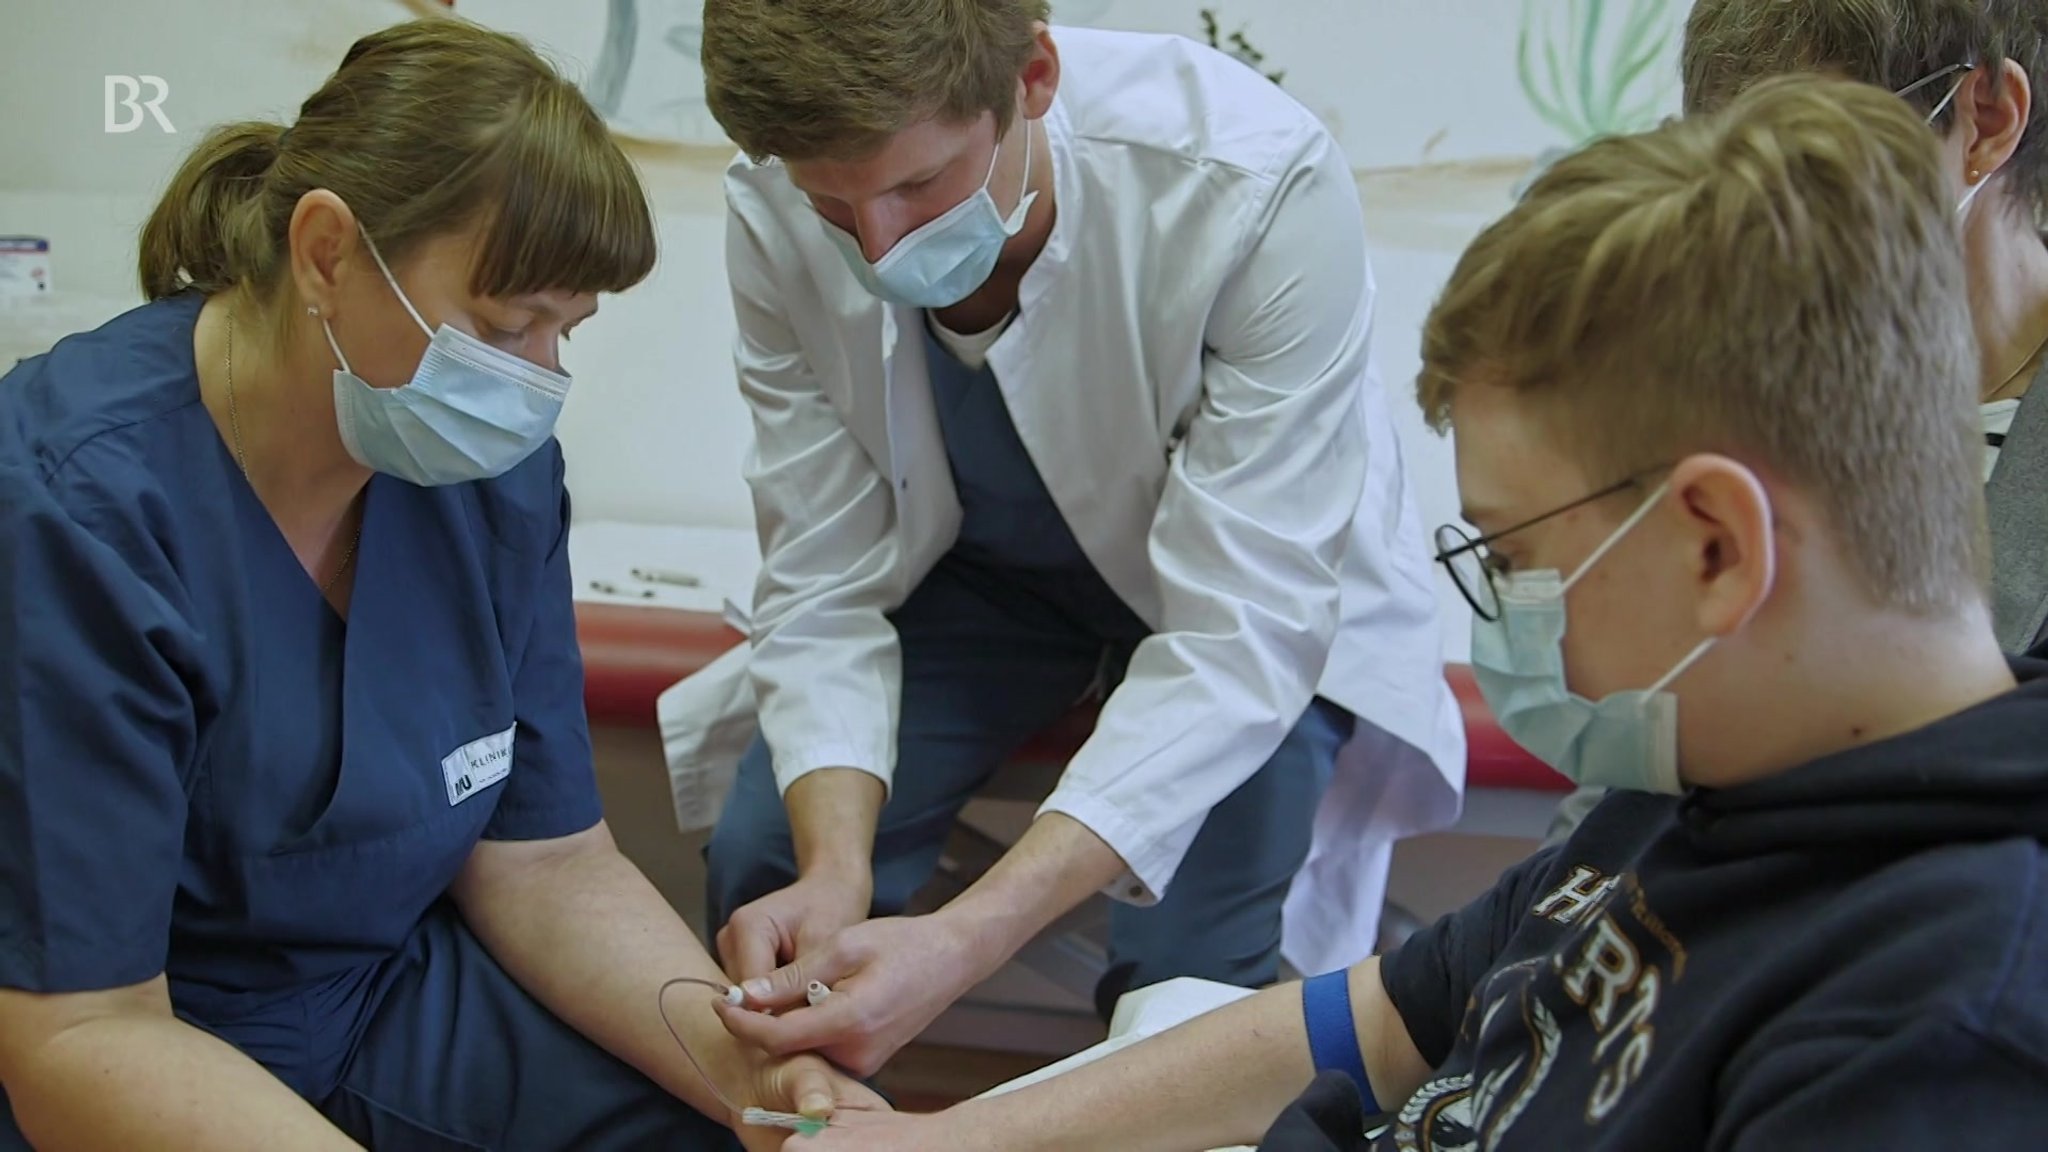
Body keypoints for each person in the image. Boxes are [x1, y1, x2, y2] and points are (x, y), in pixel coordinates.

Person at [764, 72, 2048, 1151]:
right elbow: (1377, 1017)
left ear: (1714, 544)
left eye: (1516, 556)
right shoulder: (1708, 777)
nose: (1505, 618)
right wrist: (942, 1143)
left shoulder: (1931, 1028)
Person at [0, 18, 876, 1152]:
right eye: (508, 326)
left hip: (386, 1003)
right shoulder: (77, 511)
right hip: (137, 1054)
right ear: (325, 254)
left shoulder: (484, 478)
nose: (537, 381)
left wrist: (750, 1073)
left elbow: (548, 864)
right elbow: (83, 1034)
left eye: (567, 331)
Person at [660, 0, 1463, 1074]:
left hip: (1228, 597)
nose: (879, 248)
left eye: (918, 184)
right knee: (772, 855)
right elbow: (821, 573)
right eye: (832, 208)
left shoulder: (1250, 181)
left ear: (1031, 77)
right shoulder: (771, 201)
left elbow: (1241, 629)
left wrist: (964, 940)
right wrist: (835, 873)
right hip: (987, 581)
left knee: (1185, 980)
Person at [1547, 0, 2048, 843]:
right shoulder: (1750, 399)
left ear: (1985, 123)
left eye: (1815, 169)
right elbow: (1630, 771)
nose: (1773, 230)